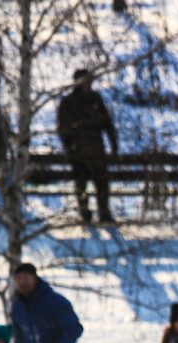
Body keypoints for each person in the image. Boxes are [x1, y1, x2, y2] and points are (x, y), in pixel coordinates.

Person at [56, 68, 118, 225]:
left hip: (96, 149)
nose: (89, 84)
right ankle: (85, 213)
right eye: (86, 81)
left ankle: (104, 212)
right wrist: (70, 146)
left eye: (90, 81)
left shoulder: (95, 99)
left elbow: (107, 122)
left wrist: (113, 143)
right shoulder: (68, 102)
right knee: (81, 183)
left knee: (102, 182)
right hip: (78, 152)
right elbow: (63, 128)